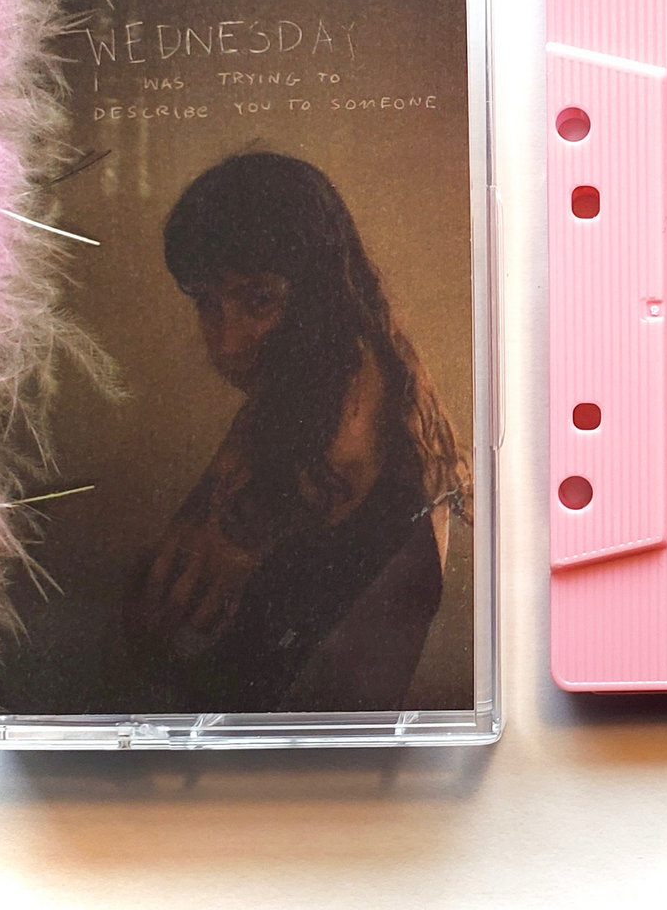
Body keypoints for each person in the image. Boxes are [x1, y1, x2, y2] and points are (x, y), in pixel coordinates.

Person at [126, 151, 469, 712]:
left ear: (317, 287)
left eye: (259, 300)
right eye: (208, 305)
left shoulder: (340, 419)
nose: (226, 343)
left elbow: (170, 609)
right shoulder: (329, 376)